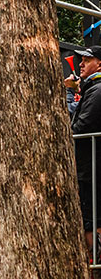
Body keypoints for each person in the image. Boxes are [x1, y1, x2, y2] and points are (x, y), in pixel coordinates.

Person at [73, 45, 101, 260]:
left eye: (86, 60)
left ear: (99, 63)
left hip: (91, 166)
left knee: (92, 218)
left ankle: (95, 262)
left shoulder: (98, 89)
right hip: (87, 164)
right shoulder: (92, 88)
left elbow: (82, 126)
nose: (81, 64)